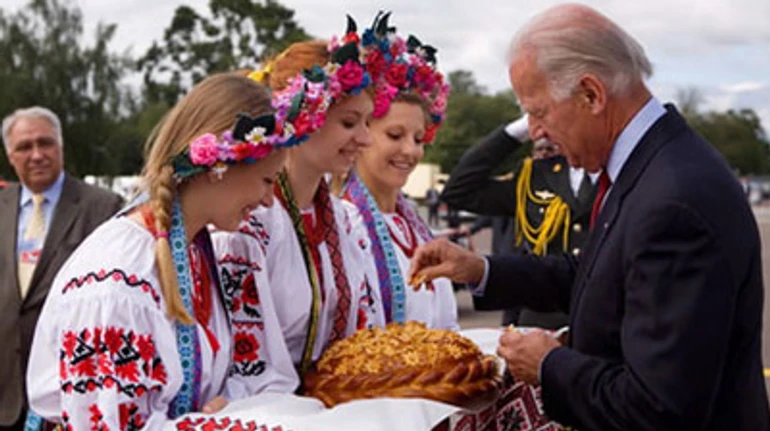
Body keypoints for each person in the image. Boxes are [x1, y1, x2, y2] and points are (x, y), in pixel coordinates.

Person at [409, 4, 769, 430]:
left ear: (591, 95)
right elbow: (600, 276)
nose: (536, 132)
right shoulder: (650, 167)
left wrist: (549, 365)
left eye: (539, 112)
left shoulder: (672, 200)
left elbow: (658, 408)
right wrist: (481, 269)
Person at [26, 73, 298, 430]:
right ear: (220, 168)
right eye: (266, 181)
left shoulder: (194, 250)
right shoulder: (118, 279)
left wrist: (226, 403)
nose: (267, 201)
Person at [215, 16, 374, 378]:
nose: (365, 139)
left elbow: (364, 329)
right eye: (349, 123)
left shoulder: (343, 218)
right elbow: (243, 365)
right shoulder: (247, 222)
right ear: (303, 118)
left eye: (368, 123)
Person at [0, 107, 123, 431]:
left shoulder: (103, 207)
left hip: (68, 389)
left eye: (45, 143)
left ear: (61, 147)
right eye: (24, 147)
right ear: (10, 155)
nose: (37, 155)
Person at [340, 13, 457, 330]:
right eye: (395, 135)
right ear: (361, 134)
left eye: (418, 139)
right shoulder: (343, 226)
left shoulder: (412, 225)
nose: (410, 151)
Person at [442, 114, 597, 329]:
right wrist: (520, 129)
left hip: (604, 320)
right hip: (542, 322)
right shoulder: (532, 178)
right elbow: (459, 190)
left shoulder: (617, 168)